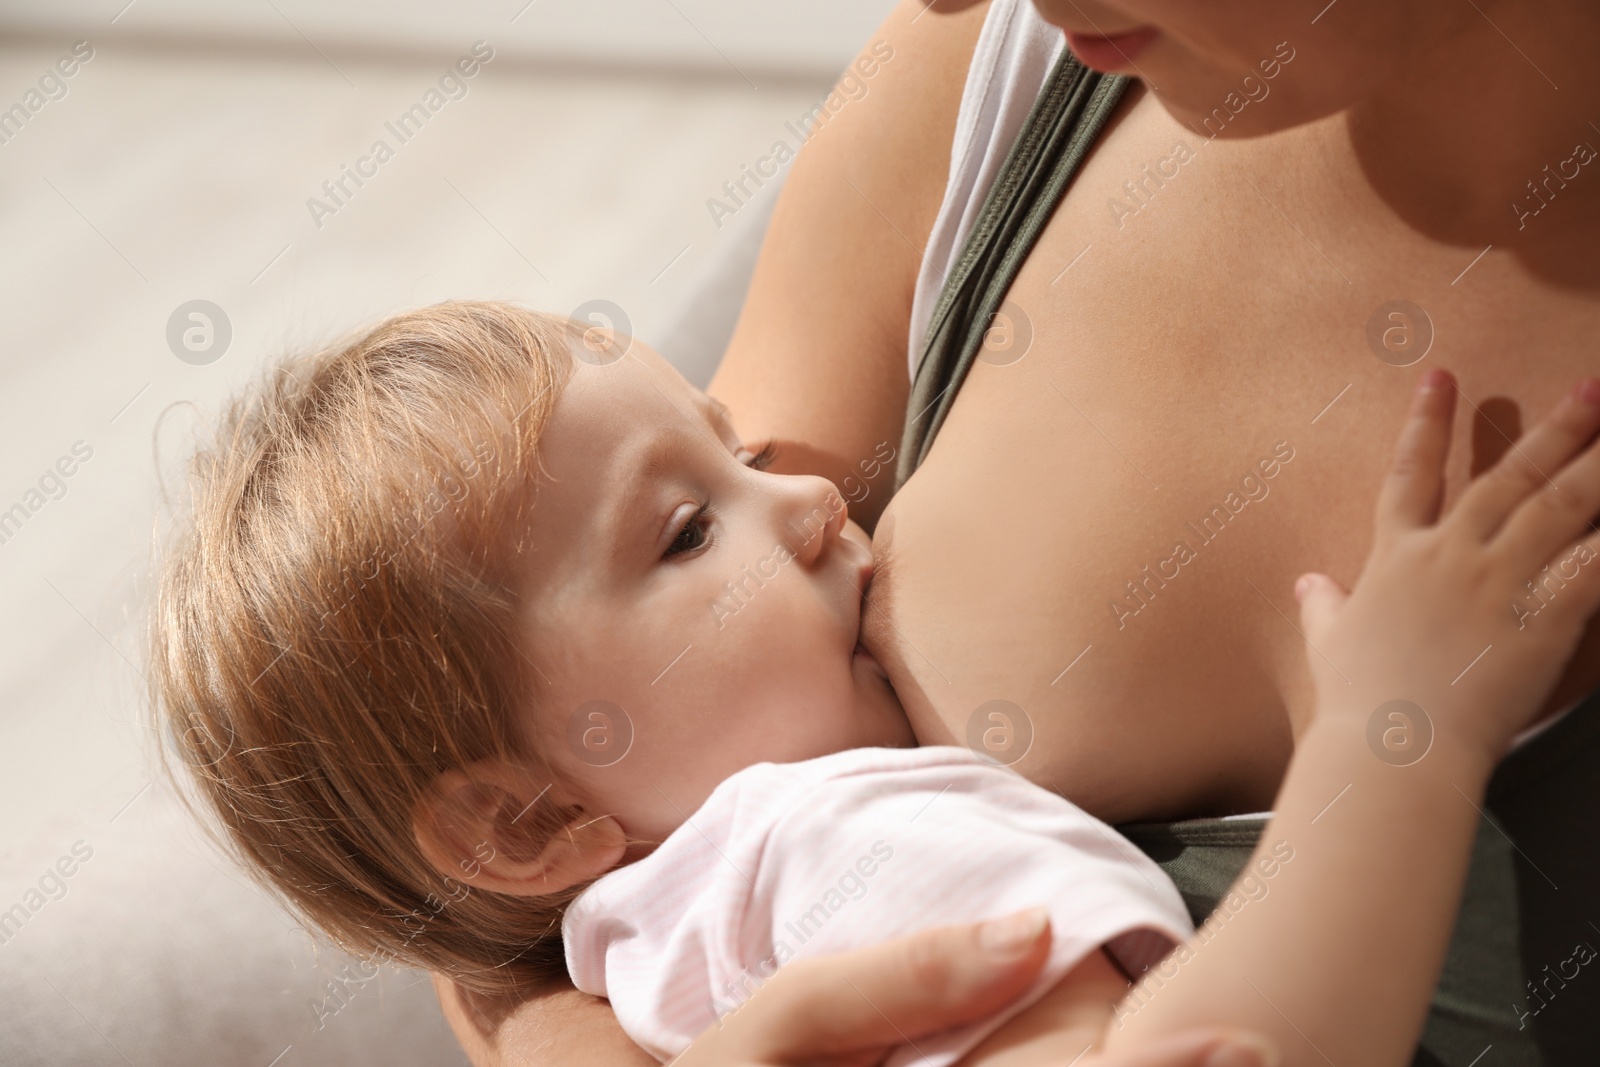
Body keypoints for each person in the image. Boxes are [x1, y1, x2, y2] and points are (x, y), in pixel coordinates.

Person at [450, 0, 1600, 1061]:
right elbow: (483, 869)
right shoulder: (993, 65)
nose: (816, 498)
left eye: (735, 472)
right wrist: (1397, 744)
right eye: (704, 515)